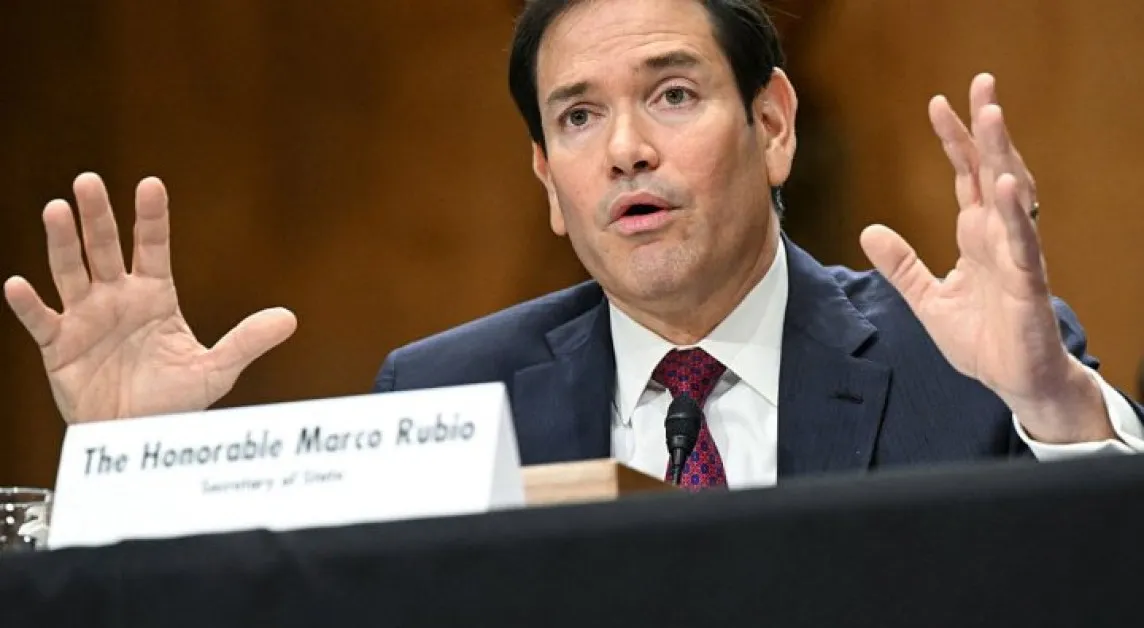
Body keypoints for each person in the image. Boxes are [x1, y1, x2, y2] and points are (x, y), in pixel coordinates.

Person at [5, 0, 1142, 490]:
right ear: (549, 183)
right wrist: (129, 468)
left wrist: (1054, 409)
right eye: (579, 117)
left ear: (773, 125)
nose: (627, 150)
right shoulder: (448, 393)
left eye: (674, 94)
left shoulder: (967, 364)